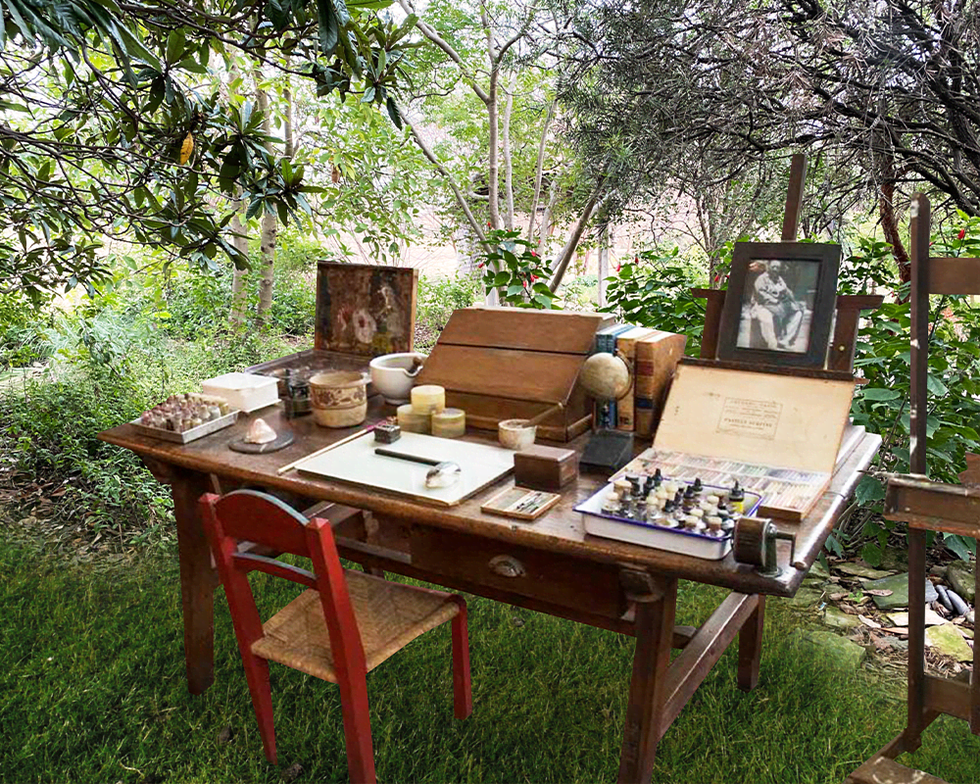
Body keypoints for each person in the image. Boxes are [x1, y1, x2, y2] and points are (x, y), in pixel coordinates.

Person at [749, 260, 804, 350]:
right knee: (766, 319)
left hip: (778, 307)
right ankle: (772, 345)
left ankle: (784, 341)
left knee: (798, 314)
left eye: (777, 268)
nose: (775, 269)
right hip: (762, 305)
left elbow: (787, 291)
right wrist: (775, 301)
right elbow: (761, 295)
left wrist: (793, 301)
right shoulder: (761, 279)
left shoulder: (779, 279)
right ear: (768, 268)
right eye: (773, 267)